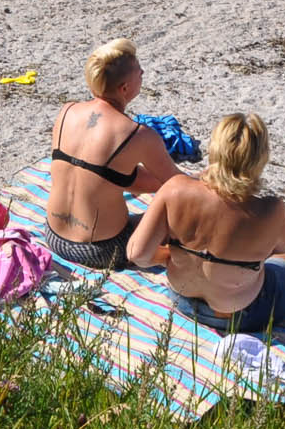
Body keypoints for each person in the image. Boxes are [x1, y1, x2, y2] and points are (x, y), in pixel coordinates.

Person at [127, 113, 285, 337]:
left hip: (183, 300)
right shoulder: (271, 209)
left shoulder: (175, 189)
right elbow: (283, 246)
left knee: (264, 237)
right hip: (245, 314)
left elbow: (138, 254)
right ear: (260, 158)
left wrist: (173, 255)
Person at [41, 38, 182, 269]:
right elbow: (176, 184)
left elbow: (108, 176)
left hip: (54, 236)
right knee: (174, 216)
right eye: (139, 72)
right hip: (104, 249)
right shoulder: (137, 134)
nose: (143, 72)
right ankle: (171, 259)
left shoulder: (67, 111)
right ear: (124, 88)